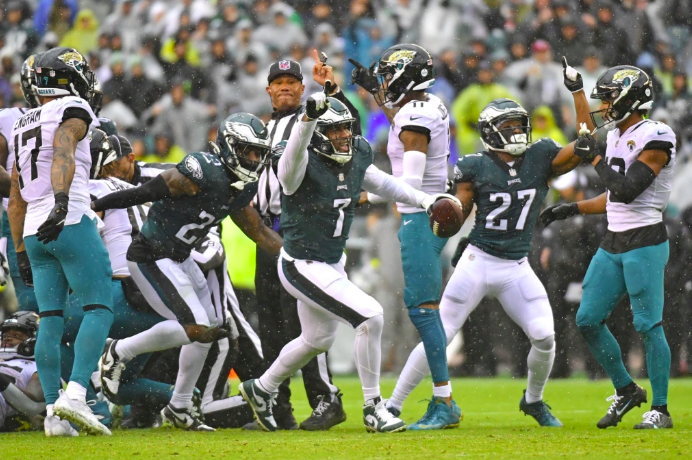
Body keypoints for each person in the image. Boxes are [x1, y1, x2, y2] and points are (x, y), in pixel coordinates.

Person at [386, 57, 592, 427]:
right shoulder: (474, 165)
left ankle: (533, 400)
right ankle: (393, 405)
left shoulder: (541, 155)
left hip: (516, 266)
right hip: (478, 261)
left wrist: (577, 92)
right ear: (490, 131)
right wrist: (443, 219)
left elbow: (587, 145)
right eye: (508, 126)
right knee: (441, 333)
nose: (516, 132)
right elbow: (457, 213)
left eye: (519, 125)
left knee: (545, 335)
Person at [239, 85, 458, 433]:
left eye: (346, 128)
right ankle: (374, 407)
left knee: (315, 340)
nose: (343, 135)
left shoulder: (355, 153)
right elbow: (289, 169)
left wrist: (426, 200)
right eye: (334, 130)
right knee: (371, 316)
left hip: (330, 260)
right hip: (301, 263)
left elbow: (384, 183)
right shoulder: (300, 160)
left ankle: (261, 388)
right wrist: (308, 119)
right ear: (316, 133)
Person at [92, 113, 282, 431]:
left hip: (180, 257)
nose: (253, 159)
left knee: (211, 331)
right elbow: (147, 192)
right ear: (229, 146)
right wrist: (103, 201)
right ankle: (118, 350)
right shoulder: (202, 169)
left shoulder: (241, 187)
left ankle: (179, 406)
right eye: (247, 150)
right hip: (149, 254)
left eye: (257, 152)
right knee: (196, 326)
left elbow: (259, 232)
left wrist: (296, 259)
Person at [540, 65, 677, 430]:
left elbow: (627, 190)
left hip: (644, 241)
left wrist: (594, 158)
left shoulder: (657, 135)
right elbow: (609, 188)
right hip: (613, 240)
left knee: (648, 325)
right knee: (587, 319)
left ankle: (660, 409)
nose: (606, 105)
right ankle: (627, 390)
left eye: (611, 97)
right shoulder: (618, 132)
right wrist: (576, 92)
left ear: (633, 98)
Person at [7, 47, 113, 436]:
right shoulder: (72, 107)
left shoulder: (21, 123)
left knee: (50, 320)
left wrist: (20, 249)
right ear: (66, 78)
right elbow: (65, 147)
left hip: (34, 231)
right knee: (100, 308)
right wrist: (63, 202)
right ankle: (77, 394)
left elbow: (16, 195)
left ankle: (53, 411)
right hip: (67, 217)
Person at [359, 43, 460, 430]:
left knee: (423, 312)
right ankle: (439, 398)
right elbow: (403, 122)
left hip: (421, 217)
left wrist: (365, 196)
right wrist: (376, 94)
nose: (384, 82)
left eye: (388, 75)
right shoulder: (425, 105)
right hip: (425, 216)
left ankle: (443, 400)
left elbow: (410, 184)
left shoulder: (416, 116)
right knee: (425, 312)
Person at [251, 55, 353, 431]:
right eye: (278, 81)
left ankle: (326, 399)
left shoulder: (312, 117)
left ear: (302, 87)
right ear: (268, 89)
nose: (285, 87)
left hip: (298, 228)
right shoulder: (263, 128)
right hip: (262, 229)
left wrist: (332, 88)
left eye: (292, 81)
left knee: (305, 321)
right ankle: (278, 408)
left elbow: (349, 127)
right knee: (273, 324)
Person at [0, 55, 37, 313]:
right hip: (18, 215)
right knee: (28, 302)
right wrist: (26, 192)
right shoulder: (9, 118)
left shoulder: (78, 118)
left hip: (68, 213)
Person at [0, 311, 46, 433]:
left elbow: (32, 406)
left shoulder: (41, 368)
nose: (8, 338)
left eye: (16, 335)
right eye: (6, 335)